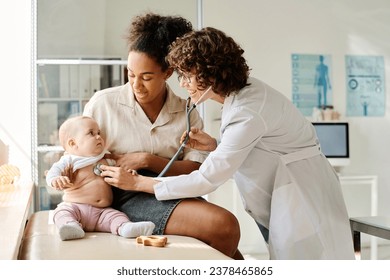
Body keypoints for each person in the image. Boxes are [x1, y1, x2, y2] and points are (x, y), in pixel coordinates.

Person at [99, 27, 356, 260]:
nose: (183, 84)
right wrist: (215, 145)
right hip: (284, 190)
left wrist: (139, 182)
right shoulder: (243, 96)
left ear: (210, 75)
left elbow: (207, 179)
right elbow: (256, 145)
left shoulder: (246, 110)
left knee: (311, 261)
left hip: (300, 192)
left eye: (188, 76)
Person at [83, 13, 242, 259]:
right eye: (131, 75)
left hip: (171, 188)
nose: (137, 85)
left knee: (230, 244)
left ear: (168, 72)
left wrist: (147, 160)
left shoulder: (186, 110)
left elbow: (194, 168)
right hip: (124, 196)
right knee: (223, 225)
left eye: (146, 77)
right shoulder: (103, 104)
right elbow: (78, 156)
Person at [46, 115, 155, 241]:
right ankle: (70, 226)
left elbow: (121, 171)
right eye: (91, 133)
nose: (98, 136)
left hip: (102, 211)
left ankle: (126, 228)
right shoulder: (69, 160)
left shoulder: (106, 158)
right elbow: (52, 172)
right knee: (61, 212)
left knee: (117, 216)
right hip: (76, 207)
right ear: (73, 143)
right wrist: (55, 179)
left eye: (99, 133)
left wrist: (129, 173)